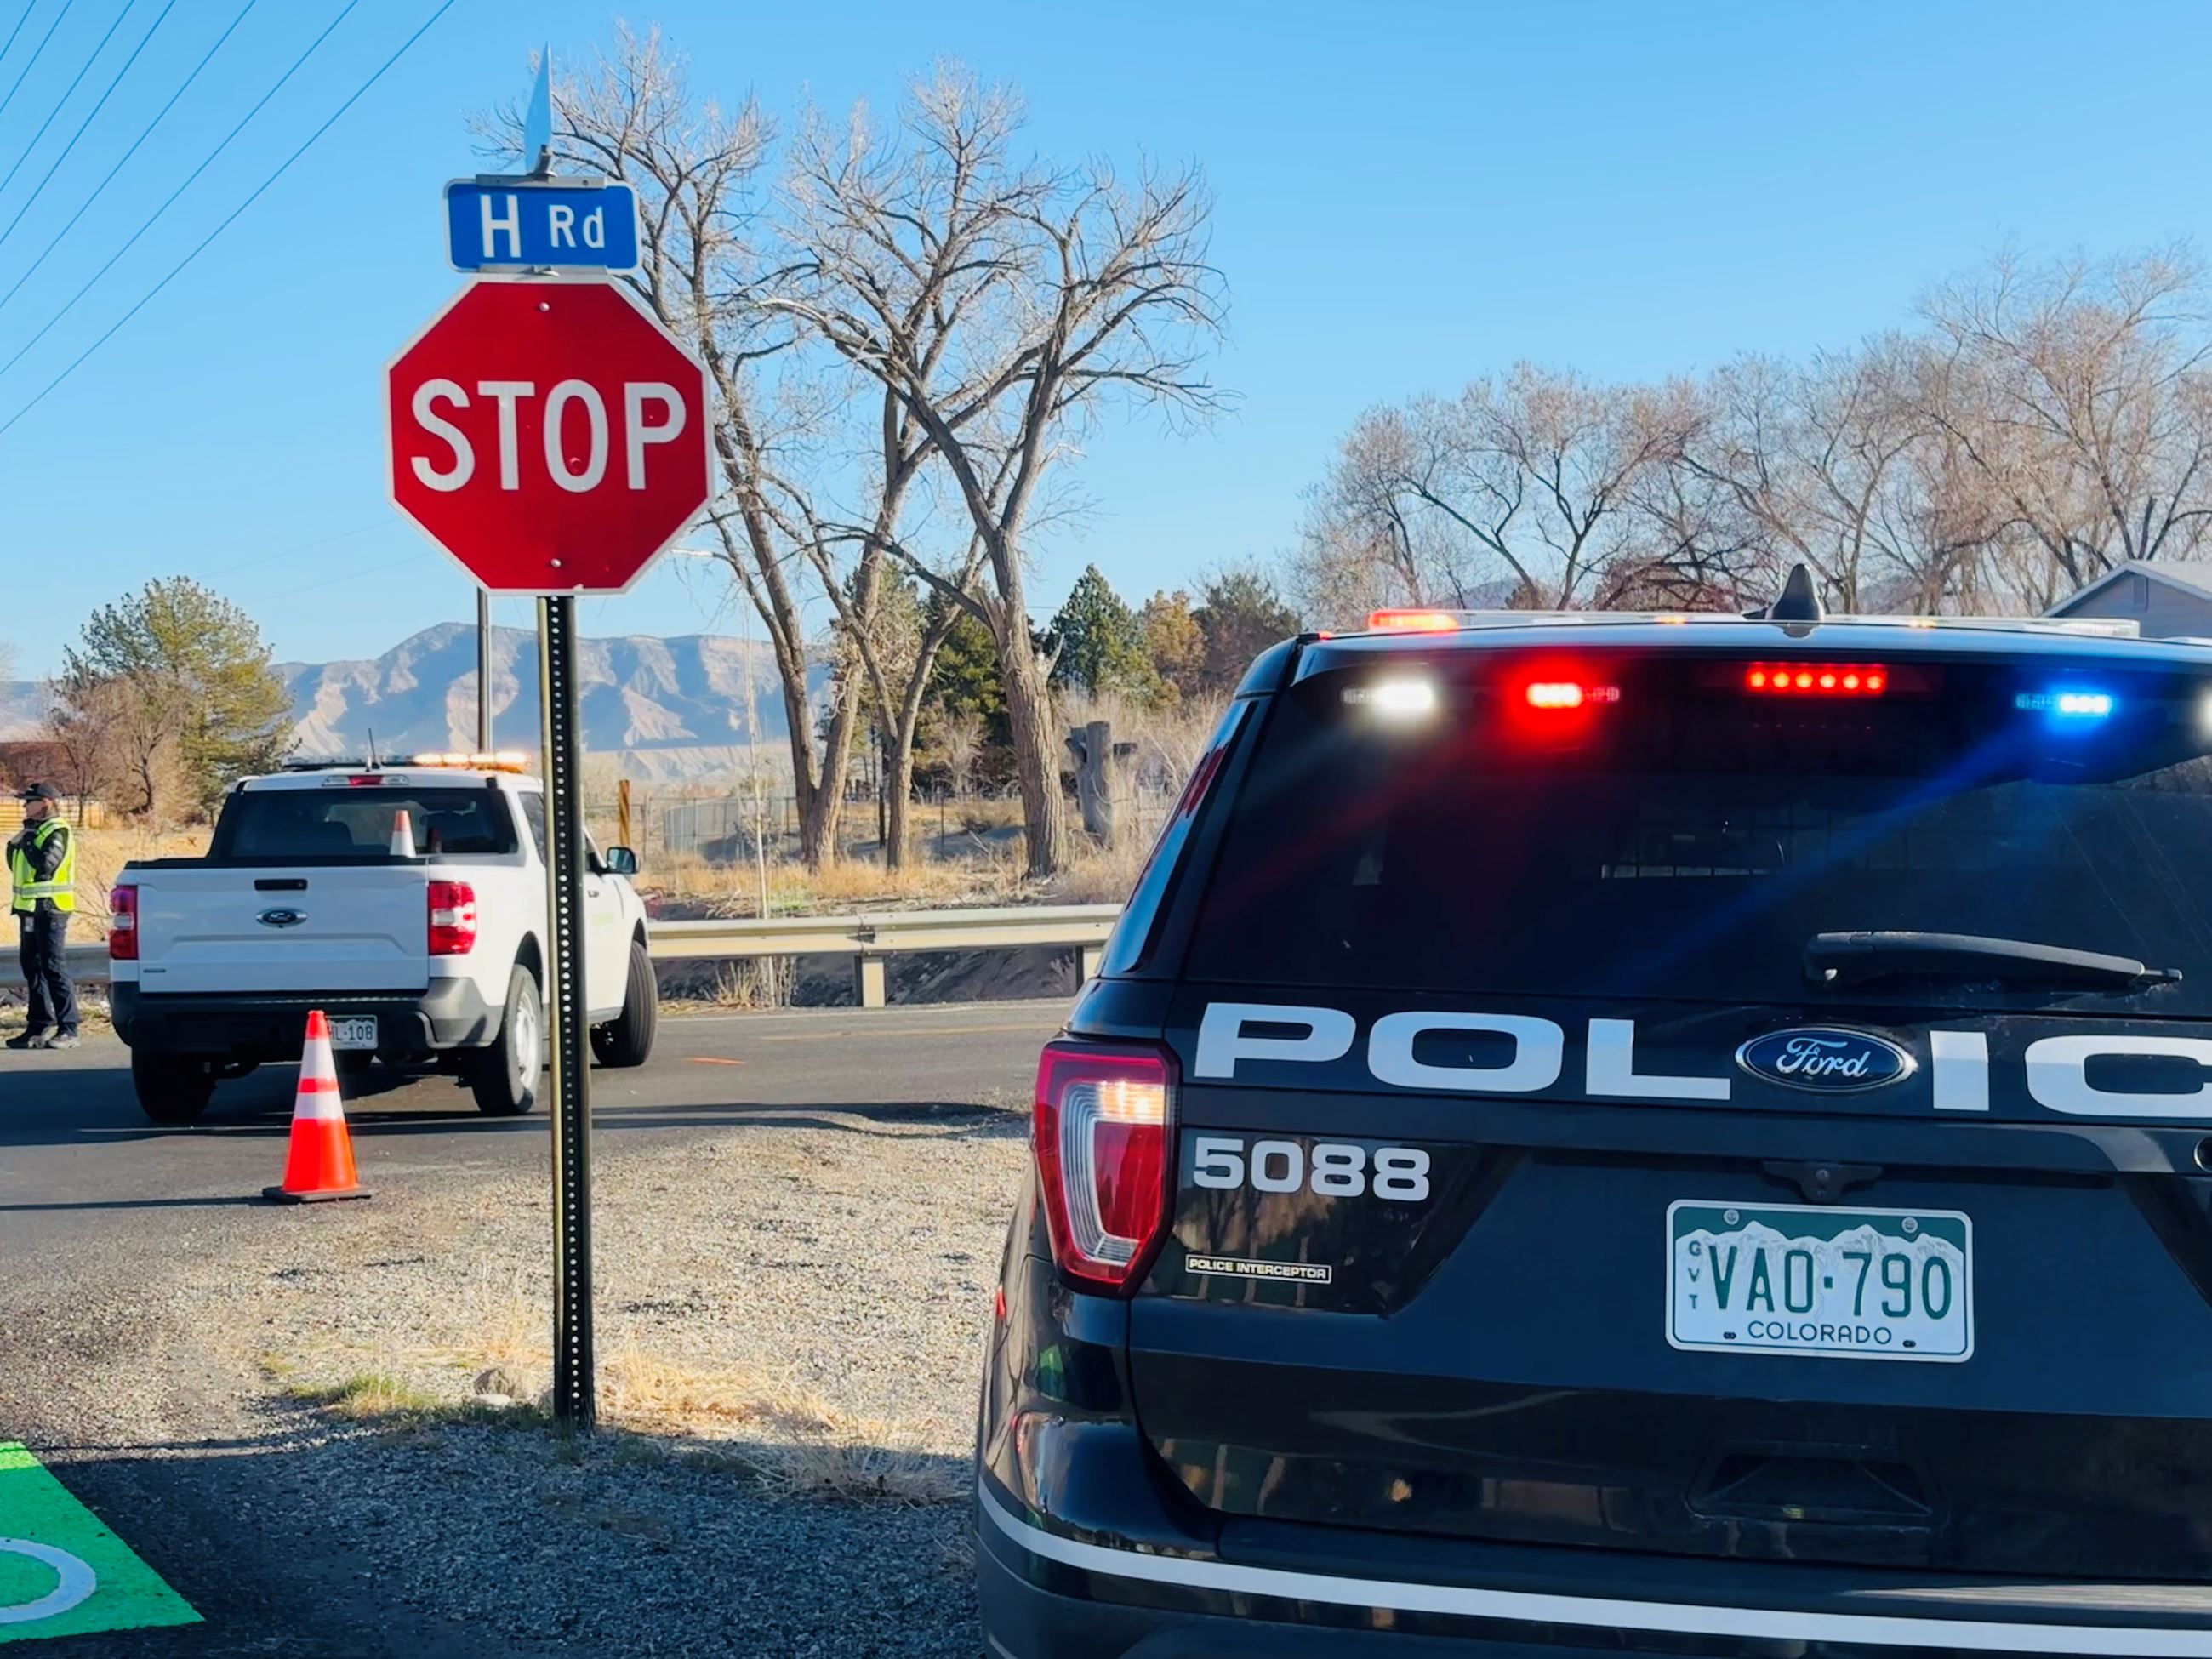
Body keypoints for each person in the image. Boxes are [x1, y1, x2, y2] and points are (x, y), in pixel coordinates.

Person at [6, 782, 79, 1051]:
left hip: (51, 908)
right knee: (32, 967)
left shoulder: (57, 831)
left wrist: (27, 840)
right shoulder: (32, 830)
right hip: (29, 909)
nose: (24, 806)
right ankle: (38, 1026)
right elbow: (16, 865)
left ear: (45, 803)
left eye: (29, 801)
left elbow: (46, 866)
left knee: (53, 967)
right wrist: (19, 842)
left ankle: (69, 1028)